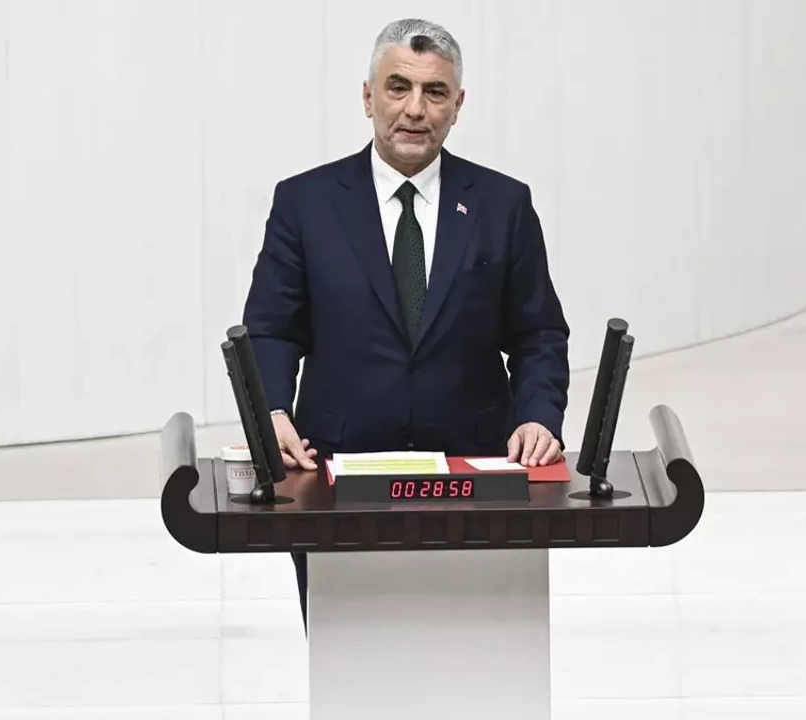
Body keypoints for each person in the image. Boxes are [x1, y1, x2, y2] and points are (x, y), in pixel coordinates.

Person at [241, 18, 570, 627]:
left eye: (434, 92)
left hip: (476, 477)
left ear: (457, 105)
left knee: (474, 652)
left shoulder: (503, 204)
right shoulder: (305, 203)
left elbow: (538, 334)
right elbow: (271, 328)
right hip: (336, 477)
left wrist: (538, 416)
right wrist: (272, 412)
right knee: (353, 655)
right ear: (368, 97)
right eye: (398, 87)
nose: (415, 109)